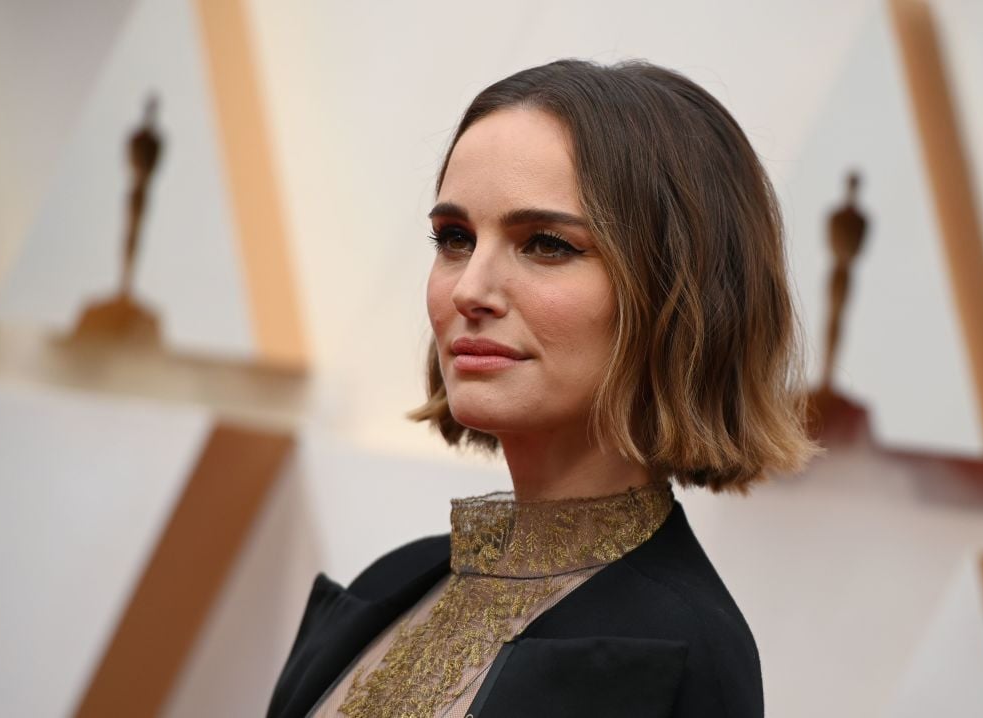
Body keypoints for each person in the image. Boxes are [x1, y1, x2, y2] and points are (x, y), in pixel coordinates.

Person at [266, 58, 820, 718]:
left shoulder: (679, 651)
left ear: (677, 295)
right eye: (455, 238)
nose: (470, 289)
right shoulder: (389, 581)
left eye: (547, 244)